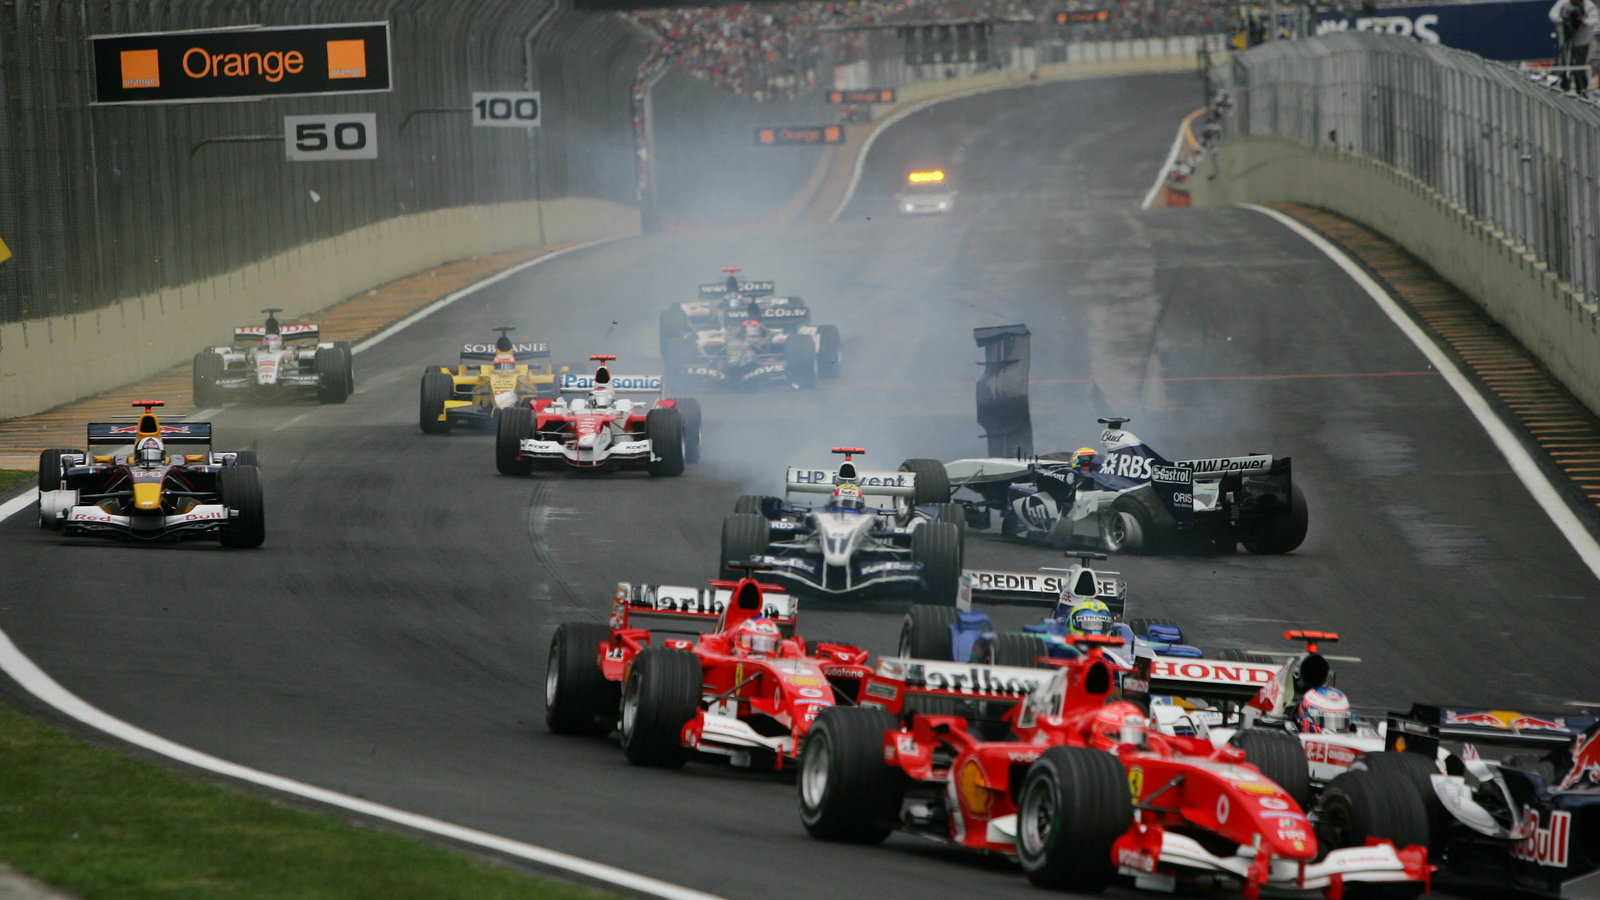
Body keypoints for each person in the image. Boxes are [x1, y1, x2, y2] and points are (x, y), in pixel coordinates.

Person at [1550, 0, 1598, 91]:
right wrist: (1563, 20)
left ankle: (1582, 87)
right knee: (1565, 62)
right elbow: (1553, 15)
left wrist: (1583, 21)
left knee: (1580, 64)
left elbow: (1594, 19)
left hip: (1582, 40)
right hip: (1566, 38)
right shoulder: (1563, 3)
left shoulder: (1588, 6)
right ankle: (1565, 82)